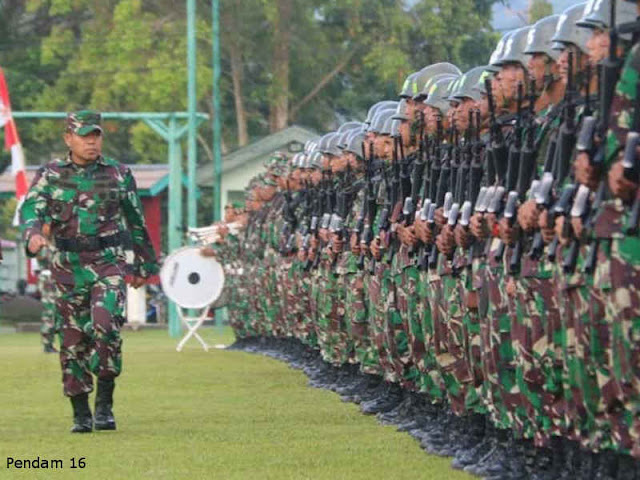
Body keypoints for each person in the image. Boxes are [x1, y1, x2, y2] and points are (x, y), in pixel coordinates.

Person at [20, 110, 158, 433]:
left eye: (96, 135)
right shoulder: (51, 174)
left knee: (106, 325)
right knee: (72, 340)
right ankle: (80, 412)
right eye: (85, 136)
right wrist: (33, 236)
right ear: (68, 138)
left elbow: (137, 221)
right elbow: (31, 210)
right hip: (67, 267)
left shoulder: (118, 173)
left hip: (107, 262)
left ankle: (105, 403)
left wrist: (145, 264)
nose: (92, 141)